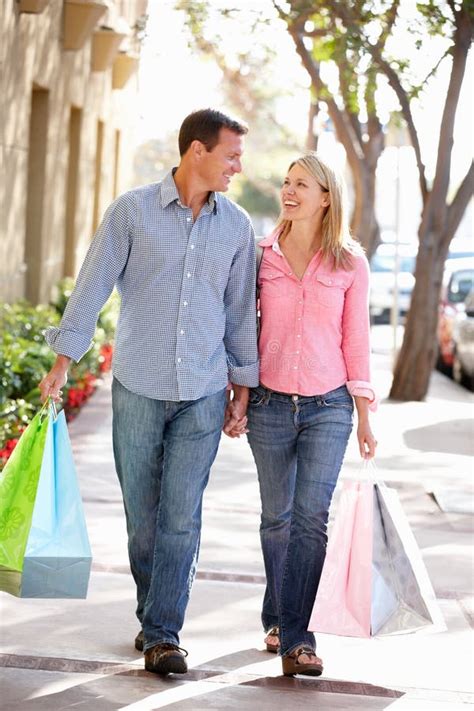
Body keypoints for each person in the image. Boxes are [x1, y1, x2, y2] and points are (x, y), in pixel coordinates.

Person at [39, 108, 259, 676]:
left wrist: (242, 387)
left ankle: (164, 632)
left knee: (181, 516)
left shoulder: (236, 226)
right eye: (231, 155)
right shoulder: (131, 213)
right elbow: (93, 287)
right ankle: (151, 614)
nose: (238, 166)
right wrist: (63, 364)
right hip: (138, 386)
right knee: (143, 516)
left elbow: (240, 315)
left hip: (204, 392)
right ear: (196, 152)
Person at [233, 152, 377, 677]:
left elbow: (356, 340)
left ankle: (298, 636)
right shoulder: (258, 256)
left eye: (302, 184)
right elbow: (243, 329)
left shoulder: (349, 262)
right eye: (286, 182)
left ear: (326, 197)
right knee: (278, 519)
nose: (289, 191)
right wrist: (242, 394)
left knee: (311, 520)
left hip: (329, 406)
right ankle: (278, 616)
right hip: (270, 403)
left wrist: (364, 414)